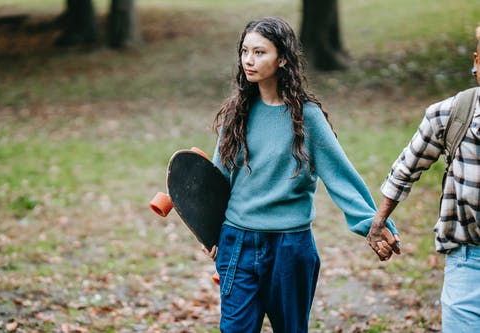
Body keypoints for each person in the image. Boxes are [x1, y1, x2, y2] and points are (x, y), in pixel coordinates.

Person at [202, 16, 398, 332]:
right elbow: (219, 178)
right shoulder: (235, 114)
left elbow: (341, 175)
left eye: (260, 53)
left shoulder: (306, 118)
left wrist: (373, 224)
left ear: (282, 59)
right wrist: (210, 230)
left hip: (290, 247)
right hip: (237, 243)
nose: (249, 60)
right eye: (245, 51)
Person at [367, 26, 480, 332]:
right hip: (469, 260)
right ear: (476, 63)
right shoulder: (452, 114)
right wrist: (379, 223)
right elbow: (405, 169)